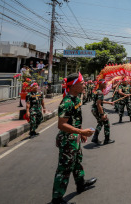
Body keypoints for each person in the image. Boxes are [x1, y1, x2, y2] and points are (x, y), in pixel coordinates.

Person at [51, 73, 97, 204]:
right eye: (82, 83)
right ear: (74, 85)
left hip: (74, 138)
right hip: (67, 140)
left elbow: (76, 119)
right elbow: (62, 124)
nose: (84, 85)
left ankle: (81, 184)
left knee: (77, 162)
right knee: (64, 169)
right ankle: (57, 198)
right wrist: (81, 131)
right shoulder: (66, 102)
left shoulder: (76, 99)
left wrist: (80, 133)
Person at [91, 79, 115, 145]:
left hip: (94, 109)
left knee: (100, 123)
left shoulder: (97, 91)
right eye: (105, 84)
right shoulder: (100, 93)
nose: (106, 85)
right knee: (106, 122)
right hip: (98, 109)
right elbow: (98, 104)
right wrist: (102, 114)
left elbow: (99, 101)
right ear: (101, 84)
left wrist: (109, 102)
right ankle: (107, 140)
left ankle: (95, 137)